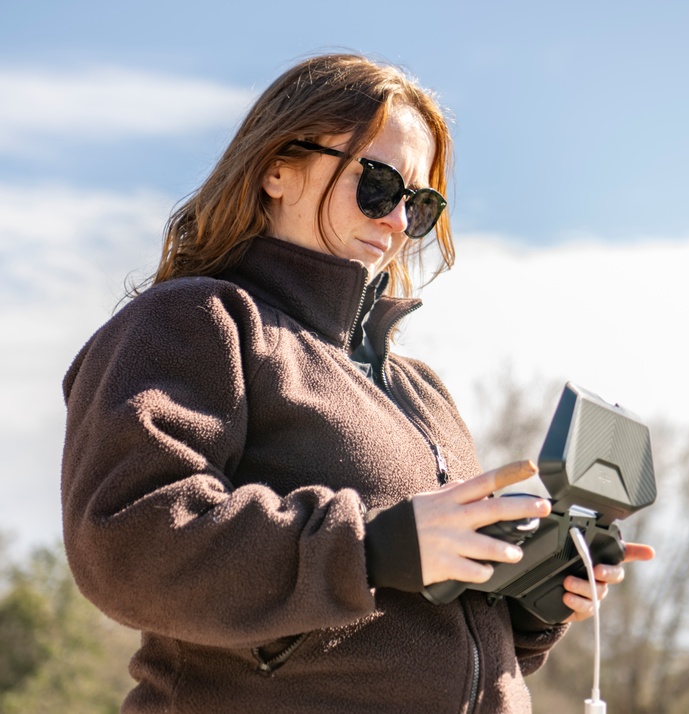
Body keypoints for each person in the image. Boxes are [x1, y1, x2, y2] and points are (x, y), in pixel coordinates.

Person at [61, 53, 654, 713]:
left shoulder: (419, 388)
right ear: (277, 169)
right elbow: (129, 544)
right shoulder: (199, 322)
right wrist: (372, 547)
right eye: (378, 186)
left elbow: (429, 626)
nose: (399, 222)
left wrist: (536, 593)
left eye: (420, 204)